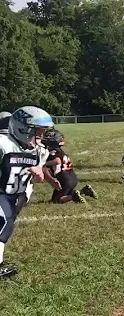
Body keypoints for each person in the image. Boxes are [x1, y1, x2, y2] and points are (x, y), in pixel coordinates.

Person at [0, 106, 55, 279]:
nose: (40, 136)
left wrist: (39, 176)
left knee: (6, 227)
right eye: (37, 131)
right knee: (3, 225)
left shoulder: (40, 151)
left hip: (16, 194)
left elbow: (36, 175)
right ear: (22, 128)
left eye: (42, 132)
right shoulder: (3, 144)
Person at [42, 130, 97, 203]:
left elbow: (57, 161)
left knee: (57, 200)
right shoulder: (60, 151)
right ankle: (85, 191)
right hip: (72, 176)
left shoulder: (52, 151)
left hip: (64, 179)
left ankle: (73, 197)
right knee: (65, 193)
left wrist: (42, 163)